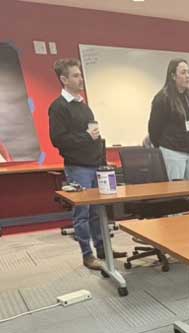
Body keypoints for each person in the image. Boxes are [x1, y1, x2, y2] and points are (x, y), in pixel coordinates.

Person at [48, 58, 126, 270]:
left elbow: (95, 136)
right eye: (75, 75)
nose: (80, 79)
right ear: (64, 80)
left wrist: (102, 162)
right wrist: (86, 136)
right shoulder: (58, 107)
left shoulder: (83, 106)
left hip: (95, 165)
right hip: (78, 167)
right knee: (82, 212)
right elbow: (58, 139)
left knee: (97, 211)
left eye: (80, 75)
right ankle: (87, 254)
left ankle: (102, 249)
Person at [148, 58, 189, 213]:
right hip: (172, 151)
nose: (187, 76)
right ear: (173, 76)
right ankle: (174, 226)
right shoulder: (162, 98)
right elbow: (154, 128)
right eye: (183, 72)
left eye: (188, 72)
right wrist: (161, 147)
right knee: (175, 192)